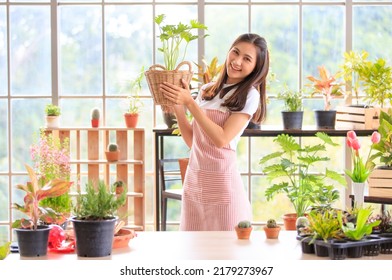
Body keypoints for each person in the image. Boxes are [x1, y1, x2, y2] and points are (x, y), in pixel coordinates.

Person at [160, 33, 269, 231]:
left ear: (256, 67)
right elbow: (194, 141)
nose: (237, 61)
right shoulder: (207, 90)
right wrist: (178, 104)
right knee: (193, 254)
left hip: (222, 185)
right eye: (235, 53)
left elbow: (221, 139)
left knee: (226, 254)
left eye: (247, 59)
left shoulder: (249, 96)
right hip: (195, 183)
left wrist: (190, 103)